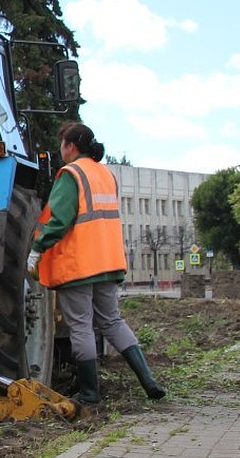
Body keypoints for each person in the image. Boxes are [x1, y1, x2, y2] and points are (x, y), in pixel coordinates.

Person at [27, 121, 165, 405]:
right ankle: (149, 380)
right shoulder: (105, 174)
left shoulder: (71, 174)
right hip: (108, 261)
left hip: (79, 265)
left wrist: (37, 248)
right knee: (112, 321)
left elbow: (61, 220)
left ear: (71, 146)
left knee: (80, 327)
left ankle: (90, 393)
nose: (60, 149)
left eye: (62, 144)